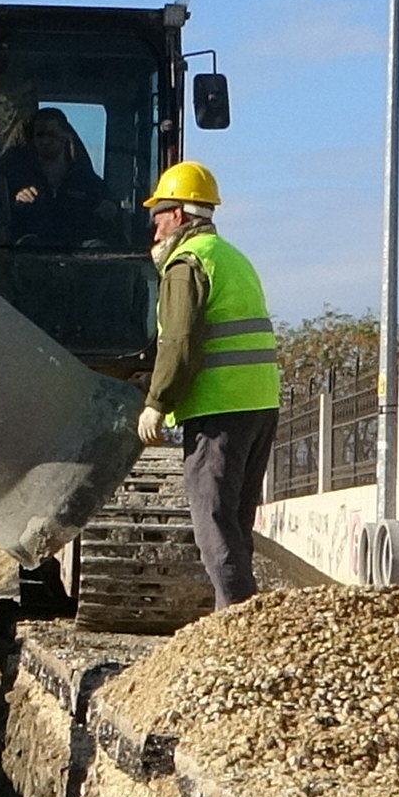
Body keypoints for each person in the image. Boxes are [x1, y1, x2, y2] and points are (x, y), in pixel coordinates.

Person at [136, 161, 281, 611]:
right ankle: (234, 616)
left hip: (219, 410)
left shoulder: (187, 263)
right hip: (259, 404)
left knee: (213, 522)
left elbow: (180, 340)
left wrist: (156, 403)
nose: (154, 227)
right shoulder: (232, 258)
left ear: (178, 215)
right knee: (236, 522)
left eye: (158, 214)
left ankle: (237, 621)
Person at [0, 107, 118, 245]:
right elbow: (0, 218)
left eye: (52, 134)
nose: (45, 140)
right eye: (40, 135)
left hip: (82, 259)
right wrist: (17, 201)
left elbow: (112, 206)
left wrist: (109, 208)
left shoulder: (87, 181)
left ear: (65, 137)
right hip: (30, 260)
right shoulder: (18, 180)